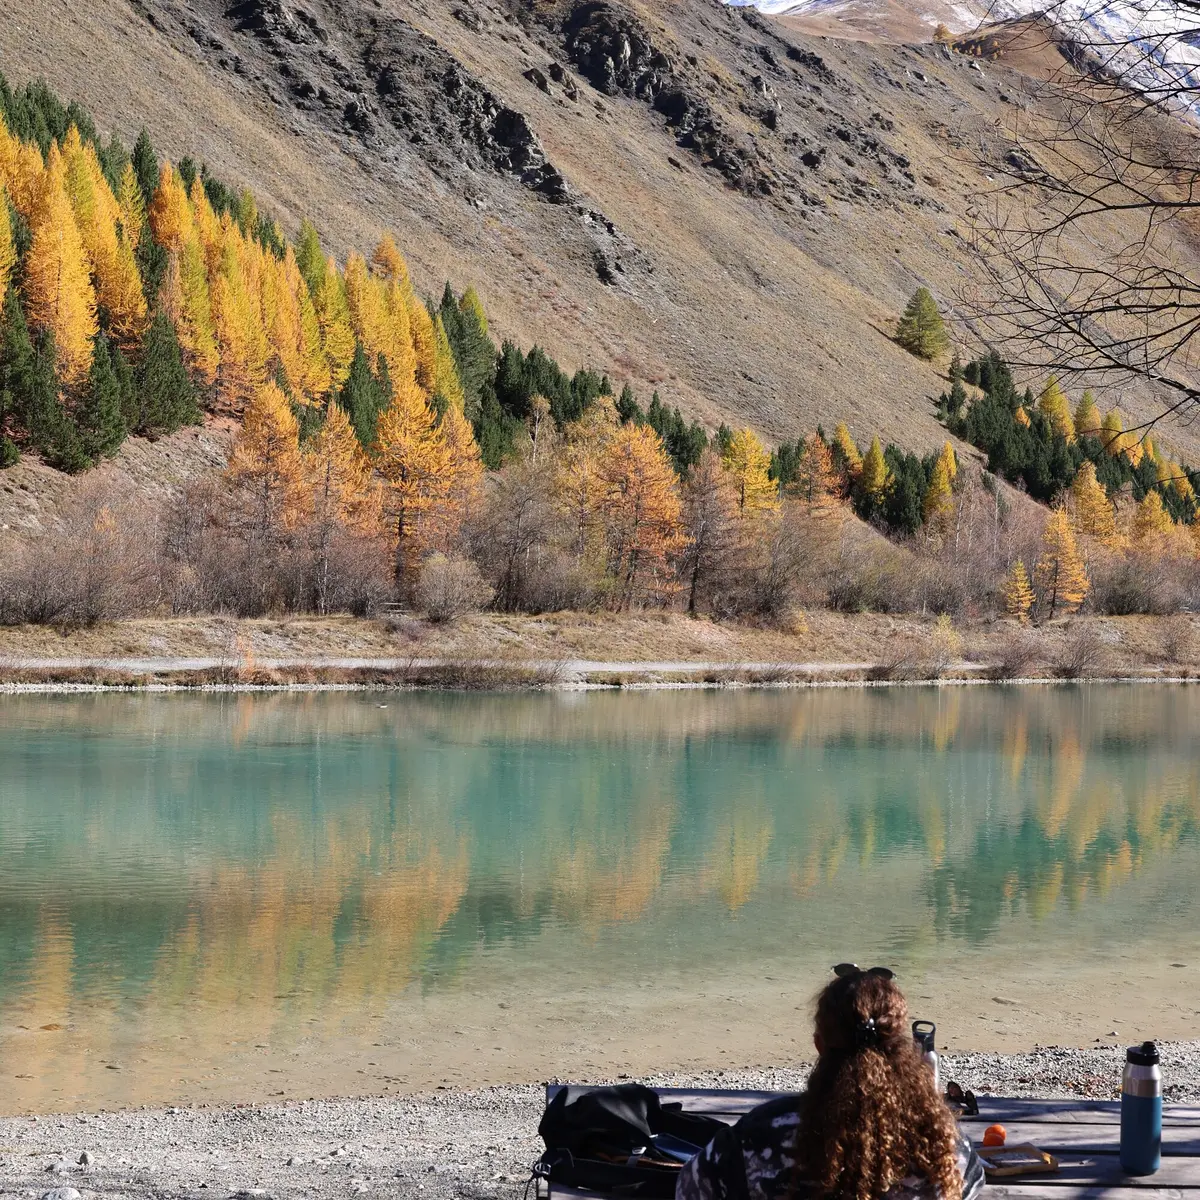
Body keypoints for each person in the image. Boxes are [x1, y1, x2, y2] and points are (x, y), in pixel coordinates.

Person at [676, 966, 985, 1200]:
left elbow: (688, 1188)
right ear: (903, 1049)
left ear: (820, 1045)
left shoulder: (758, 1136)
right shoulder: (943, 1149)